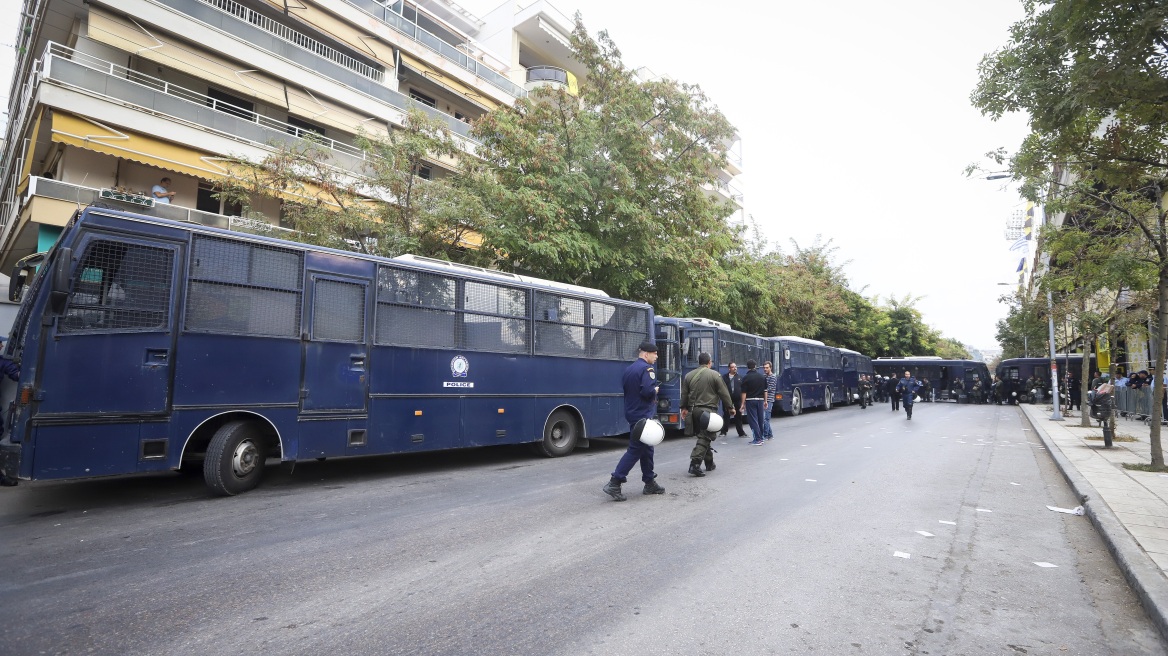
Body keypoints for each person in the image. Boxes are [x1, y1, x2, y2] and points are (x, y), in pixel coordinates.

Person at [602, 342, 665, 501]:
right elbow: (646, 391)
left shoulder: (630, 369)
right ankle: (615, 482)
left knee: (647, 447)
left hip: (632, 413)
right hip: (642, 414)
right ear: (646, 354)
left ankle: (649, 481)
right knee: (636, 449)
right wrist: (655, 391)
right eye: (655, 354)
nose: (656, 356)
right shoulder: (647, 369)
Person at [680, 352, 735, 476]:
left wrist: (684, 408)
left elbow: (684, 394)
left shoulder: (689, 375)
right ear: (709, 362)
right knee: (705, 436)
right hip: (707, 412)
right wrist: (730, 407)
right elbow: (724, 393)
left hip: (693, 411)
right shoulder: (715, 375)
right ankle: (695, 463)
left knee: (704, 436)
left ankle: (709, 463)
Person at [741, 360, 768, 445]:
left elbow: (744, 392)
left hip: (750, 400)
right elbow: (765, 390)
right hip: (760, 400)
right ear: (755, 366)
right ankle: (761, 437)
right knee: (760, 420)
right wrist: (766, 401)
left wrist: (742, 403)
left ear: (747, 367)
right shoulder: (762, 377)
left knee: (753, 420)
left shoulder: (745, 377)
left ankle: (757, 439)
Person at [719, 362, 746, 437]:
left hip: (737, 400)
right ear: (729, 368)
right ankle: (723, 431)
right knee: (726, 415)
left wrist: (743, 402)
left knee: (738, 416)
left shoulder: (740, 377)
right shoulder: (724, 377)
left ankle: (741, 432)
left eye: (735, 367)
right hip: (728, 400)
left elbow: (743, 389)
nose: (735, 368)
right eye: (733, 367)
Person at [762, 361, 777, 439]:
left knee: (766, 419)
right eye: (764, 368)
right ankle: (770, 435)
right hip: (764, 399)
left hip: (769, 400)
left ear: (770, 368)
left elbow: (769, 389)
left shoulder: (773, 377)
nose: (765, 369)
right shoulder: (764, 376)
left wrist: (761, 390)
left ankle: (765, 435)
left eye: (767, 368)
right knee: (765, 419)